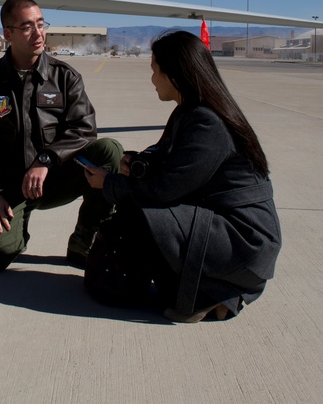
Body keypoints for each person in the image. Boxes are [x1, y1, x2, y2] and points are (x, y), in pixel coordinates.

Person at [82, 30, 282, 322]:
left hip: (244, 240)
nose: (151, 80)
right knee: (141, 209)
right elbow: (177, 167)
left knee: (142, 213)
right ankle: (204, 289)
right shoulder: (192, 112)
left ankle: (210, 293)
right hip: (230, 231)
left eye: (154, 71)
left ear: (174, 75)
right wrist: (138, 163)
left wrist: (109, 183)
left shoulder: (207, 122)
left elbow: (165, 190)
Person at [0, 0, 122, 271]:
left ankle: (85, 240)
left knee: (109, 151)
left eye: (41, 24)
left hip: (56, 177)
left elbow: (84, 129)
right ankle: (15, 227)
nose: (38, 33)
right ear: (8, 34)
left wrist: (46, 160)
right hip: (10, 187)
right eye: (27, 27)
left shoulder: (65, 78)